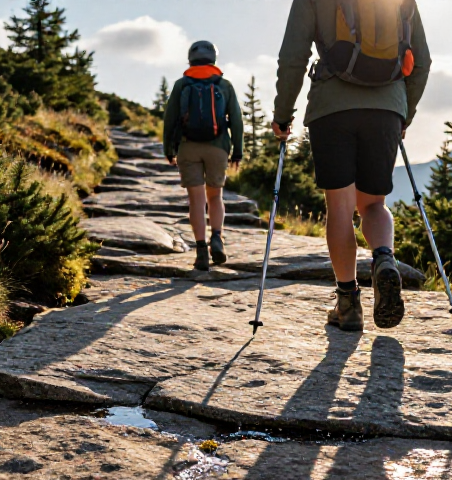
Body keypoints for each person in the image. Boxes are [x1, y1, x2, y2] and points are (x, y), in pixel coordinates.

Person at [272, 0, 431, 331]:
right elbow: (422, 62)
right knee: (373, 204)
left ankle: (348, 306)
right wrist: (405, 113)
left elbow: (293, 57)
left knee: (340, 208)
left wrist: (282, 114)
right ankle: (384, 258)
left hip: (332, 108)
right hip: (386, 109)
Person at [163, 41, 244, 271]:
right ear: (213, 59)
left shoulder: (181, 85)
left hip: (188, 147)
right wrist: (237, 151)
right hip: (217, 147)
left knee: (196, 200)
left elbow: (170, 119)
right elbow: (236, 120)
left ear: (191, 60)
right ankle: (216, 238)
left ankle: (200, 252)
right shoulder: (224, 84)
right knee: (215, 196)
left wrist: (169, 148)